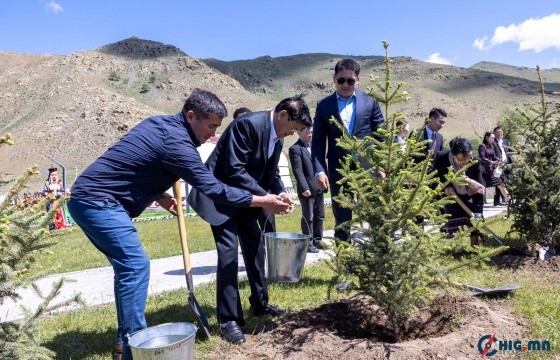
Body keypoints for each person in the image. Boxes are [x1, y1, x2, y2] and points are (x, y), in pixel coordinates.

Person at [67, 89, 290, 360]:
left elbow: (134, 165)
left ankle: (125, 342)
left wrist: (159, 195)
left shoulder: (158, 124)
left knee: (128, 269)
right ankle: (131, 348)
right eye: (210, 126)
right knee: (135, 266)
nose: (212, 134)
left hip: (92, 198)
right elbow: (213, 188)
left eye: (217, 127)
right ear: (191, 115)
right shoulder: (178, 144)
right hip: (98, 201)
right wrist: (262, 200)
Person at [188, 94, 312, 345]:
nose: (293, 134)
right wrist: (265, 197)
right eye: (294, 127)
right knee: (229, 255)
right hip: (219, 199)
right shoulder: (247, 125)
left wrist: (280, 193)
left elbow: (271, 172)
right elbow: (234, 170)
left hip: (246, 200)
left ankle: (260, 303)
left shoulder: (277, 140)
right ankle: (228, 320)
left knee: (256, 249)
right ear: (283, 116)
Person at [311, 58, 385, 242]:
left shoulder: (370, 103)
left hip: (369, 169)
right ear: (334, 78)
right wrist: (320, 170)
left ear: (358, 80)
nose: (346, 84)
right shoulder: (324, 105)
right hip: (338, 171)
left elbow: (381, 137)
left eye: (350, 81)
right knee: (342, 218)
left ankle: (382, 257)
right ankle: (344, 261)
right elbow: (318, 142)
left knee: (377, 215)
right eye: (341, 80)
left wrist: (382, 166)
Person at [433, 137, 485, 245]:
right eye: (461, 159)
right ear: (453, 155)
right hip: (452, 195)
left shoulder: (475, 161)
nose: (465, 162)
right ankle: (456, 247)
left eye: (468, 158)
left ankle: (475, 246)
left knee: (474, 219)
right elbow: (434, 177)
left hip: (471, 193)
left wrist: (477, 212)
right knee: (454, 218)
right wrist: (444, 188)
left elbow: (479, 189)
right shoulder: (442, 158)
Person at [289, 125, 325, 253]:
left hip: (319, 187)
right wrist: (304, 188)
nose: (310, 133)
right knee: (308, 217)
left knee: (320, 215)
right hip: (307, 189)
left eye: (312, 131)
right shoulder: (295, 148)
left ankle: (318, 240)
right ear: (299, 132)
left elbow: (321, 164)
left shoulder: (316, 146)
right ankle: (308, 243)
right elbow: (297, 171)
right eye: (307, 131)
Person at [478, 131, 510, 205]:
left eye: (493, 138)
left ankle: (510, 202)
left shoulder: (491, 146)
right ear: (487, 137)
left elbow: (494, 156)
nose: (493, 139)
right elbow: (482, 158)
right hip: (484, 172)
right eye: (491, 138)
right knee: (480, 189)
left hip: (492, 171)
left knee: (502, 185)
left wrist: (499, 160)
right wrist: (491, 162)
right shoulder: (482, 146)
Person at [492, 126, 512, 205]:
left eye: (501, 131)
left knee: (508, 181)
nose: (500, 133)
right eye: (497, 132)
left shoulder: (506, 141)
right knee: (498, 182)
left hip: (507, 164)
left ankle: (506, 199)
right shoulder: (493, 142)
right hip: (499, 165)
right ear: (494, 133)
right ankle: (496, 201)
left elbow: (510, 152)